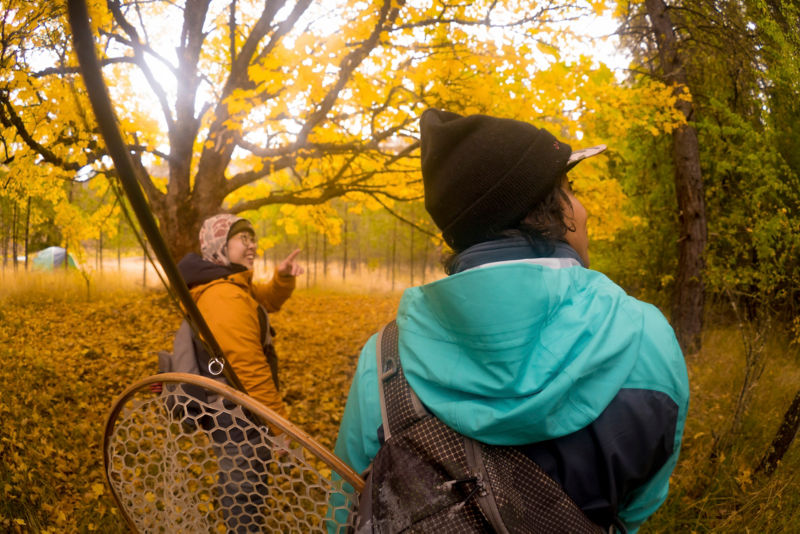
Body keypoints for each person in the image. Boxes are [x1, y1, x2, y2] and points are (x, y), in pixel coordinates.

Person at [333, 109, 689, 533]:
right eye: (570, 189)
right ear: (553, 209)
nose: (585, 208)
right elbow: (640, 505)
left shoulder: (383, 360)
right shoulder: (647, 336)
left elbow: (346, 510)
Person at [177, 213, 304, 533]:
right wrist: (281, 429)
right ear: (220, 245)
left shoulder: (228, 283)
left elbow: (262, 301)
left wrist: (282, 279)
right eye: (242, 239)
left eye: (253, 238)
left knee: (247, 481)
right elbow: (248, 368)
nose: (252, 245)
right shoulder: (223, 295)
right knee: (243, 487)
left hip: (240, 409)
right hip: (239, 412)